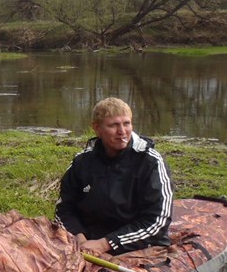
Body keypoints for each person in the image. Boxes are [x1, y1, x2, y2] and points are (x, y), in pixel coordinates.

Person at [55, 97, 173, 256]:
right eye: (114, 125)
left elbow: (158, 222)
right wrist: (79, 239)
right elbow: (64, 209)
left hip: (135, 245)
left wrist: (106, 244)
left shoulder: (151, 163)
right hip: (86, 242)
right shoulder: (81, 163)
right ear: (97, 128)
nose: (122, 132)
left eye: (127, 123)